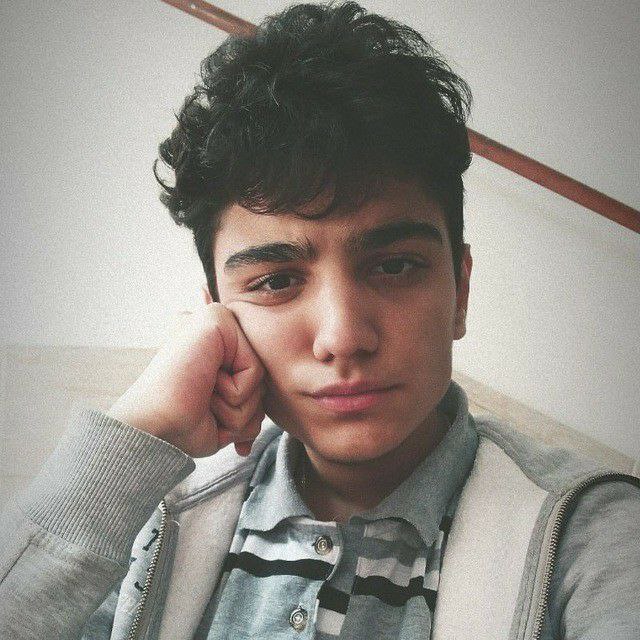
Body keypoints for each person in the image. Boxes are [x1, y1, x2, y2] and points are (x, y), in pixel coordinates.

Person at [1, 2, 638, 639]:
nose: (342, 338)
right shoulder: (151, 517)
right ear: (217, 315)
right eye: (277, 281)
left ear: (460, 291)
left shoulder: (591, 536)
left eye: (394, 267)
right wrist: (137, 433)